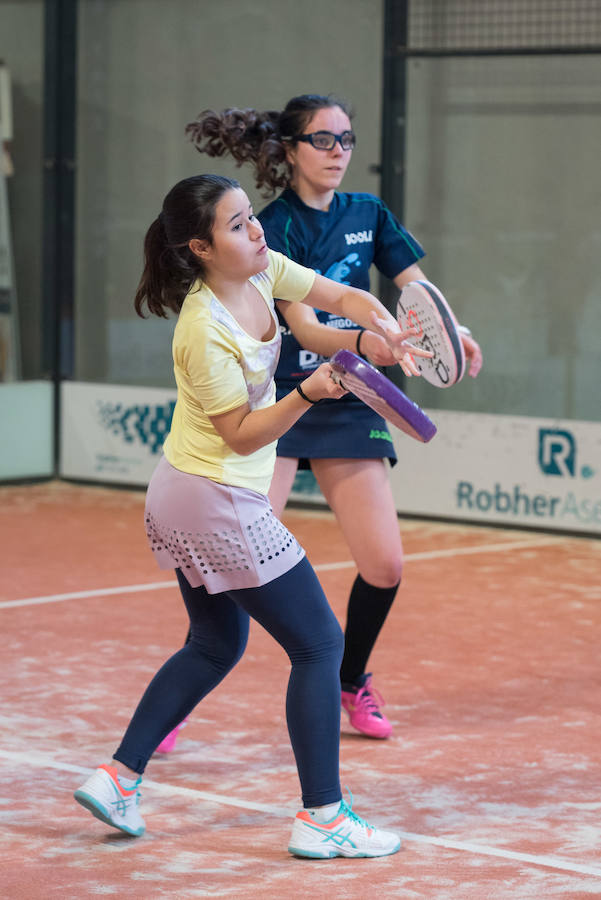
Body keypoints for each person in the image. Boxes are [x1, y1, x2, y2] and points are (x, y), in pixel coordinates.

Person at [73, 173, 432, 858]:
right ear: (201, 247)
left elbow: (334, 300)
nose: (256, 230)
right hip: (213, 498)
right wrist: (310, 392)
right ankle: (323, 817)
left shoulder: (263, 271)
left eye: (250, 217)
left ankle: (118, 778)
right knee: (320, 646)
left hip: (183, 492)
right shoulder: (201, 329)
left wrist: (379, 334)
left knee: (214, 644)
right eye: (237, 224)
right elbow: (241, 433)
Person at [184, 94, 483, 742]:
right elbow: (307, 326)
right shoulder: (272, 227)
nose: (337, 152)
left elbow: (413, 288)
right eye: (322, 140)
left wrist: (451, 332)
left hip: (351, 399)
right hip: (282, 401)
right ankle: (188, 682)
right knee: (233, 555)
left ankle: (351, 680)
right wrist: (365, 344)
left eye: (345, 140)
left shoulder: (367, 212)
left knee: (384, 566)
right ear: (289, 149)